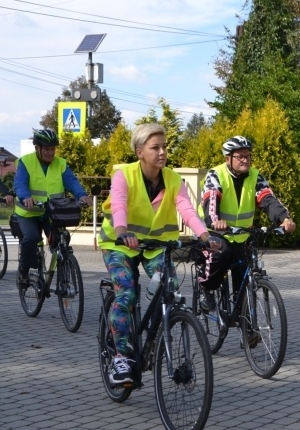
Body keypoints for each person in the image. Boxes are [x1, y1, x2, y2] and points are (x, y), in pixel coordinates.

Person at [98, 123, 220, 385]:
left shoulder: (173, 179)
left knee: (171, 289)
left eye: (165, 146)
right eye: (156, 147)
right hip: (120, 244)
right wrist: (122, 231)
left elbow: (187, 210)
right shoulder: (123, 175)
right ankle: (120, 357)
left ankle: (153, 340)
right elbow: (118, 204)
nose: (163, 152)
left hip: (156, 246)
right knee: (127, 292)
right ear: (140, 151)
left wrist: (205, 236)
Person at [196, 136, 296, 311]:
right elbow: (211, 200)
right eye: (240, 156)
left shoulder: (255, 176)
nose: (245, 160)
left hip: (242, 234)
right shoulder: (216, 174)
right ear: (228, 159)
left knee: (245, 272)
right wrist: (214, 220)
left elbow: (268, 199)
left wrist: (284, 219)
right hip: (216, 232)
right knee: (222, 253)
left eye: (247, 156)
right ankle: (206, 288)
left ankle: (248, 327)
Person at [14, 128, 91, 287]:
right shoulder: (26, 162)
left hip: (51, 212)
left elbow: (71, 182)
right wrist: (25, 197)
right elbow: (20, 184)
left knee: (62, 239)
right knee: (31, 238)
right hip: (29, 212)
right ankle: (23, 271)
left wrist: (81, 195)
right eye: (46, 149)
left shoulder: (61, 163)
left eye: (52, 149)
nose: (50, 153)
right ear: (37, 148)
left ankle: (61, 270)